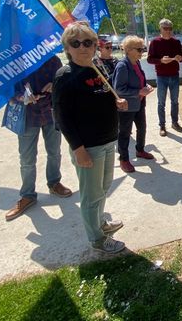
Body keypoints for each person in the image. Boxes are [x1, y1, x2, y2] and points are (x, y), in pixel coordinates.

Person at [53, 21, 128, 254]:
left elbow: (103, 96)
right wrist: (78, 149)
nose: (83, 47)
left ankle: (100, 224)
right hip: (89, 146)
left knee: (102, 189)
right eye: (76, 43)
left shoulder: (96, 67)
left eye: (88, 42)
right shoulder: (65, 76)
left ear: (95, 45)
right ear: (68, 47)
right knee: (90, 195)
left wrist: (117, 103)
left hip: (107, 140)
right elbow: (62, 117)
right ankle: (96, 239)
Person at [5, 56, 73, 221]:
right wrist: (21, 97)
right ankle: (27, 195)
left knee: (54, 152)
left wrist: (55, 85)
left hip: (50, 113)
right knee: (27, 158)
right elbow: (8, 90)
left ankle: (54, 183)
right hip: (27, 116)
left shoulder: (53, 61)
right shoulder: (15, 62)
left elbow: (64, 84)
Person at [113, 35, 155, 174]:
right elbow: (118, 89)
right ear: (129, 50)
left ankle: (140, 150)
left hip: (139, 103)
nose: (142, 51)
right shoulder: (123, 66)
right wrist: (139, 91)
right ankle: (124, 159)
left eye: (142, 48)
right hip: (127, 106)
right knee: (124, 132)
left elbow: (140, 80)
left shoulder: (136, 62)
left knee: (142, 127)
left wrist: (146, 86)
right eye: (139, 49)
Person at [147, 18, 182, 136]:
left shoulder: (176, 42)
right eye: (165, 28)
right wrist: (161, 61)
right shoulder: (155, 42)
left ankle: (175, 122)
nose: (168, 31)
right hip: (161, 76)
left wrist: (179, 58)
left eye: (170, 29)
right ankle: (162, 125)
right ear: (160, 29)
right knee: (161, 102)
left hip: (174, 75)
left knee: (175, 101)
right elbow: (149, 59)